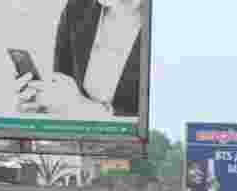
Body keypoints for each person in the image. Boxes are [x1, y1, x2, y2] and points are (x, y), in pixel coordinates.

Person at [16, 0, 145, 119]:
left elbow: (156, 124)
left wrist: (85, 109)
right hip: (78, 140)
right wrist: (44, 106)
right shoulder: (77, 7)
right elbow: (63, 86)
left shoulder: (161, 19)